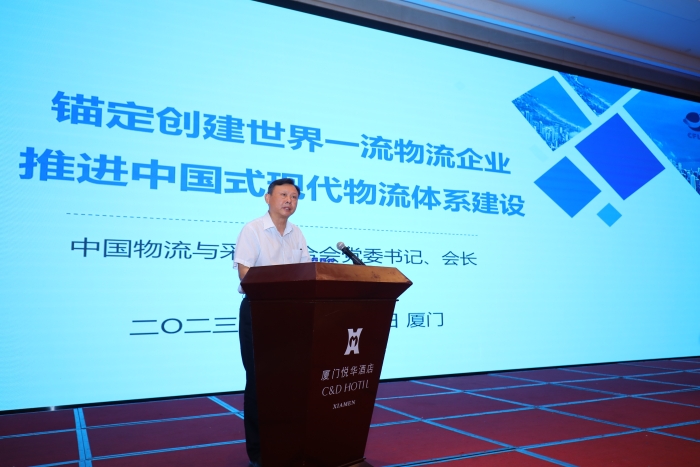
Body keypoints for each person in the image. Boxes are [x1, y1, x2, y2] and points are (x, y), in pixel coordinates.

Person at [233, 178, 311, 467]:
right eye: (283, 195)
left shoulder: (296, 233)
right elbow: (245, 274)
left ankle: (286, 445)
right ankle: (260, 454)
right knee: (259, 384)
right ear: (268, 198)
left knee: (288, 384)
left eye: (294, 196)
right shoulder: (252, 230)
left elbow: (306, 273)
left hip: (291, 315)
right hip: (259, 312)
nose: (289, 200)